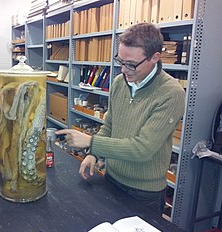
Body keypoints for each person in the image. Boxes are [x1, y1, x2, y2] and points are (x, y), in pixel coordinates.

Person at [56, 23, 185, 216]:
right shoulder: (119, 83)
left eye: (131, 64)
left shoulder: (171, 93)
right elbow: (109, 125)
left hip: (144, 193)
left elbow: (143, 149)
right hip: (111, 179)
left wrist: (91, 141)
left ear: (155, 58)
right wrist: (93, 154)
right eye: (120, 61)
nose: (124, 70)